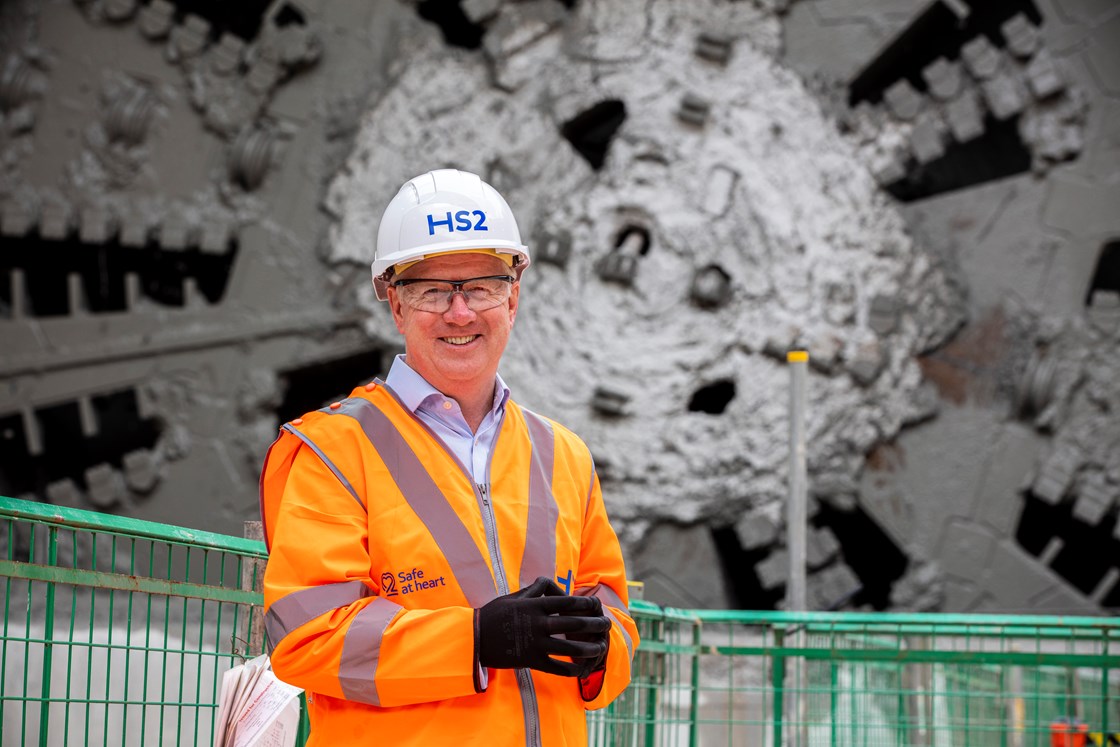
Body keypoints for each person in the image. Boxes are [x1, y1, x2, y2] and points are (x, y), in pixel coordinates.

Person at [259, 169, 638, 745]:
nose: (459, 313)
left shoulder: (564, 455)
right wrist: (477, 640)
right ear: (395, 305)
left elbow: (612, 607)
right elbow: (306, 638)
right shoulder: (333, 451)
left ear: (513, 297)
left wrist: (603, 648)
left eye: (481, 287)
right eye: (433, 291)